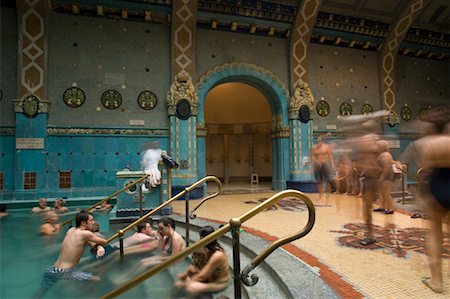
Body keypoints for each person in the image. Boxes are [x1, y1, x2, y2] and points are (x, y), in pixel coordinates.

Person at [400, 106, 450, 293]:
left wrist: (422, 195)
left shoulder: (423, 144)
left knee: (435, 235)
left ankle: (437, 282)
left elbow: (418, 170)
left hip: (436, 187)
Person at [35, 210, 107, 297]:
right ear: (83, 223)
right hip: (64, 271)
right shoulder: (86, 234)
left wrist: (98, 247)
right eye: (91, 220)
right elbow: (104, 241)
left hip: (52, 269)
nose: (93, 222)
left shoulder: (71, 230)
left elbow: (86, 242)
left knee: (41, 292)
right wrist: (100, 246)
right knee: (95, 280)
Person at [176, 226, 229, 296]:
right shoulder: (204, 247)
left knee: (191, 288)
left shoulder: (217, 255)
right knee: (179, 283)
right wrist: (186, 274)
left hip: (218, 283)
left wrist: (185, 284)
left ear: (202, 238)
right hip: (208, 278)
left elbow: (202, 276)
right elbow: (195, 264)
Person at [372, 140, 395, 214]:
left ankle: (390, 208)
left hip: (386, 176)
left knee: (386, 193)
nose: (377, 147)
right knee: (381, 192)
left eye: (378, 146)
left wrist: (382, 177)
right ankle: (382, 206)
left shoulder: (386, 155)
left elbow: (386, 167)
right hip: (381, 175)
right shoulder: (382, 154)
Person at [311, 135, 335, 203]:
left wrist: (332, 164)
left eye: (320, 141)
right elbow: (312, 156)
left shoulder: (326, 147)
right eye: (318, 141)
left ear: (322, 141)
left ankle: (328, 198)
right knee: (319, 182)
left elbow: (330, 156)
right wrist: (315, 162)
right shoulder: (314, 148)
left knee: (328, 181)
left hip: (325, 164)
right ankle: (320, 197)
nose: (319, 142)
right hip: (317, 165)